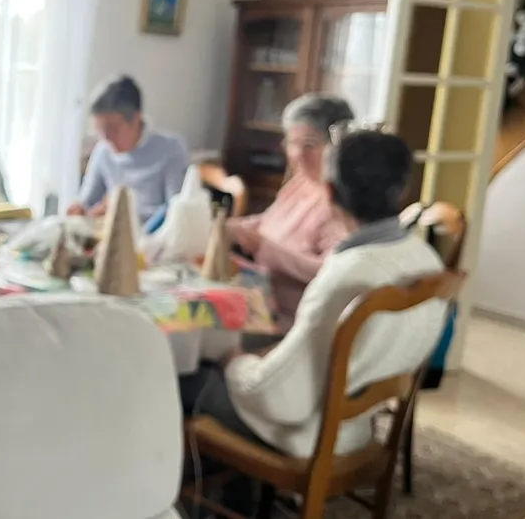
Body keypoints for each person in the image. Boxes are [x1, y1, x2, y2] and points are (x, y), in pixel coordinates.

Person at [179, 130, 448, 516]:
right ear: (401, 188)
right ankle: (243, 497)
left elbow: (278, 398)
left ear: (330, 192)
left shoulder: (348, 273)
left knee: (191, 376)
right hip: (357, 424)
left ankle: (209, 505)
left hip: (310, 435)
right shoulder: (425, 259)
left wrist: (231, 359)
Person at [227, 93, 355, 321]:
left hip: (289, 319)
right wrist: (233, 227)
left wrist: (264, 247)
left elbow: (332, 270)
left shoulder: (338, 204)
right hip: (258, 301)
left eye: (310, 145)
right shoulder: (301, 183)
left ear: (337, 146)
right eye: (292, 143)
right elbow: (269, 220)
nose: (297, 155)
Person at [67, 75, 189, 222]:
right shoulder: (103, 150)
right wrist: (80, 208)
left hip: (152, 238)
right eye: (101, 131)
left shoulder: (171, 149)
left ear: (136, 118)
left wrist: (119, 213)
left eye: (113, 129)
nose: (107, 138)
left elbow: (175, 212)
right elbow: (87, 200)